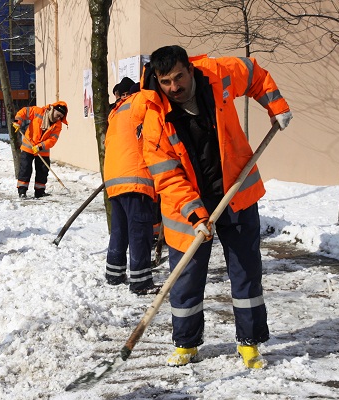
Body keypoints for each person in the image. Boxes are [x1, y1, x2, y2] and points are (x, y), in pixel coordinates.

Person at [132, 45, 292, 369]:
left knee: (246, 269)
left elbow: (254, 73)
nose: (174, 87)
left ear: (190, 69)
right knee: (187, 275)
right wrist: (195, 213)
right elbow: (167, 177)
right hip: (187, 204)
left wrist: (275, 104)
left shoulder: (218, 74)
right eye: (166, 82)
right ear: (156, 80)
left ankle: (250, 343)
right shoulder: (153, 119)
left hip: (237, 191)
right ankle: (186, 343)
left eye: (179, 77)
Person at [103, 78, 159, 295]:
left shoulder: (116, 112)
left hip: (114, 177)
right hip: (135, 177)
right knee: (140, 231)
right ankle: (141, 282)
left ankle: (114, 274)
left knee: (120, 228)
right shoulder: (141, 102)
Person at [13, 101, 68, 198]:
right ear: (53, 110)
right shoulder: (38, 111)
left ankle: (40, 192)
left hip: (42, 150)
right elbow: (24, 111)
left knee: (43, 170)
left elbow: (52, 139)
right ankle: (22, 191)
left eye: (61, 117)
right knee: (25, 169)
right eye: (58, 115)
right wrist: (18, 121)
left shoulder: (58, 125)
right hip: (28, 146)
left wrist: (40, 146)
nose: (58, 118)